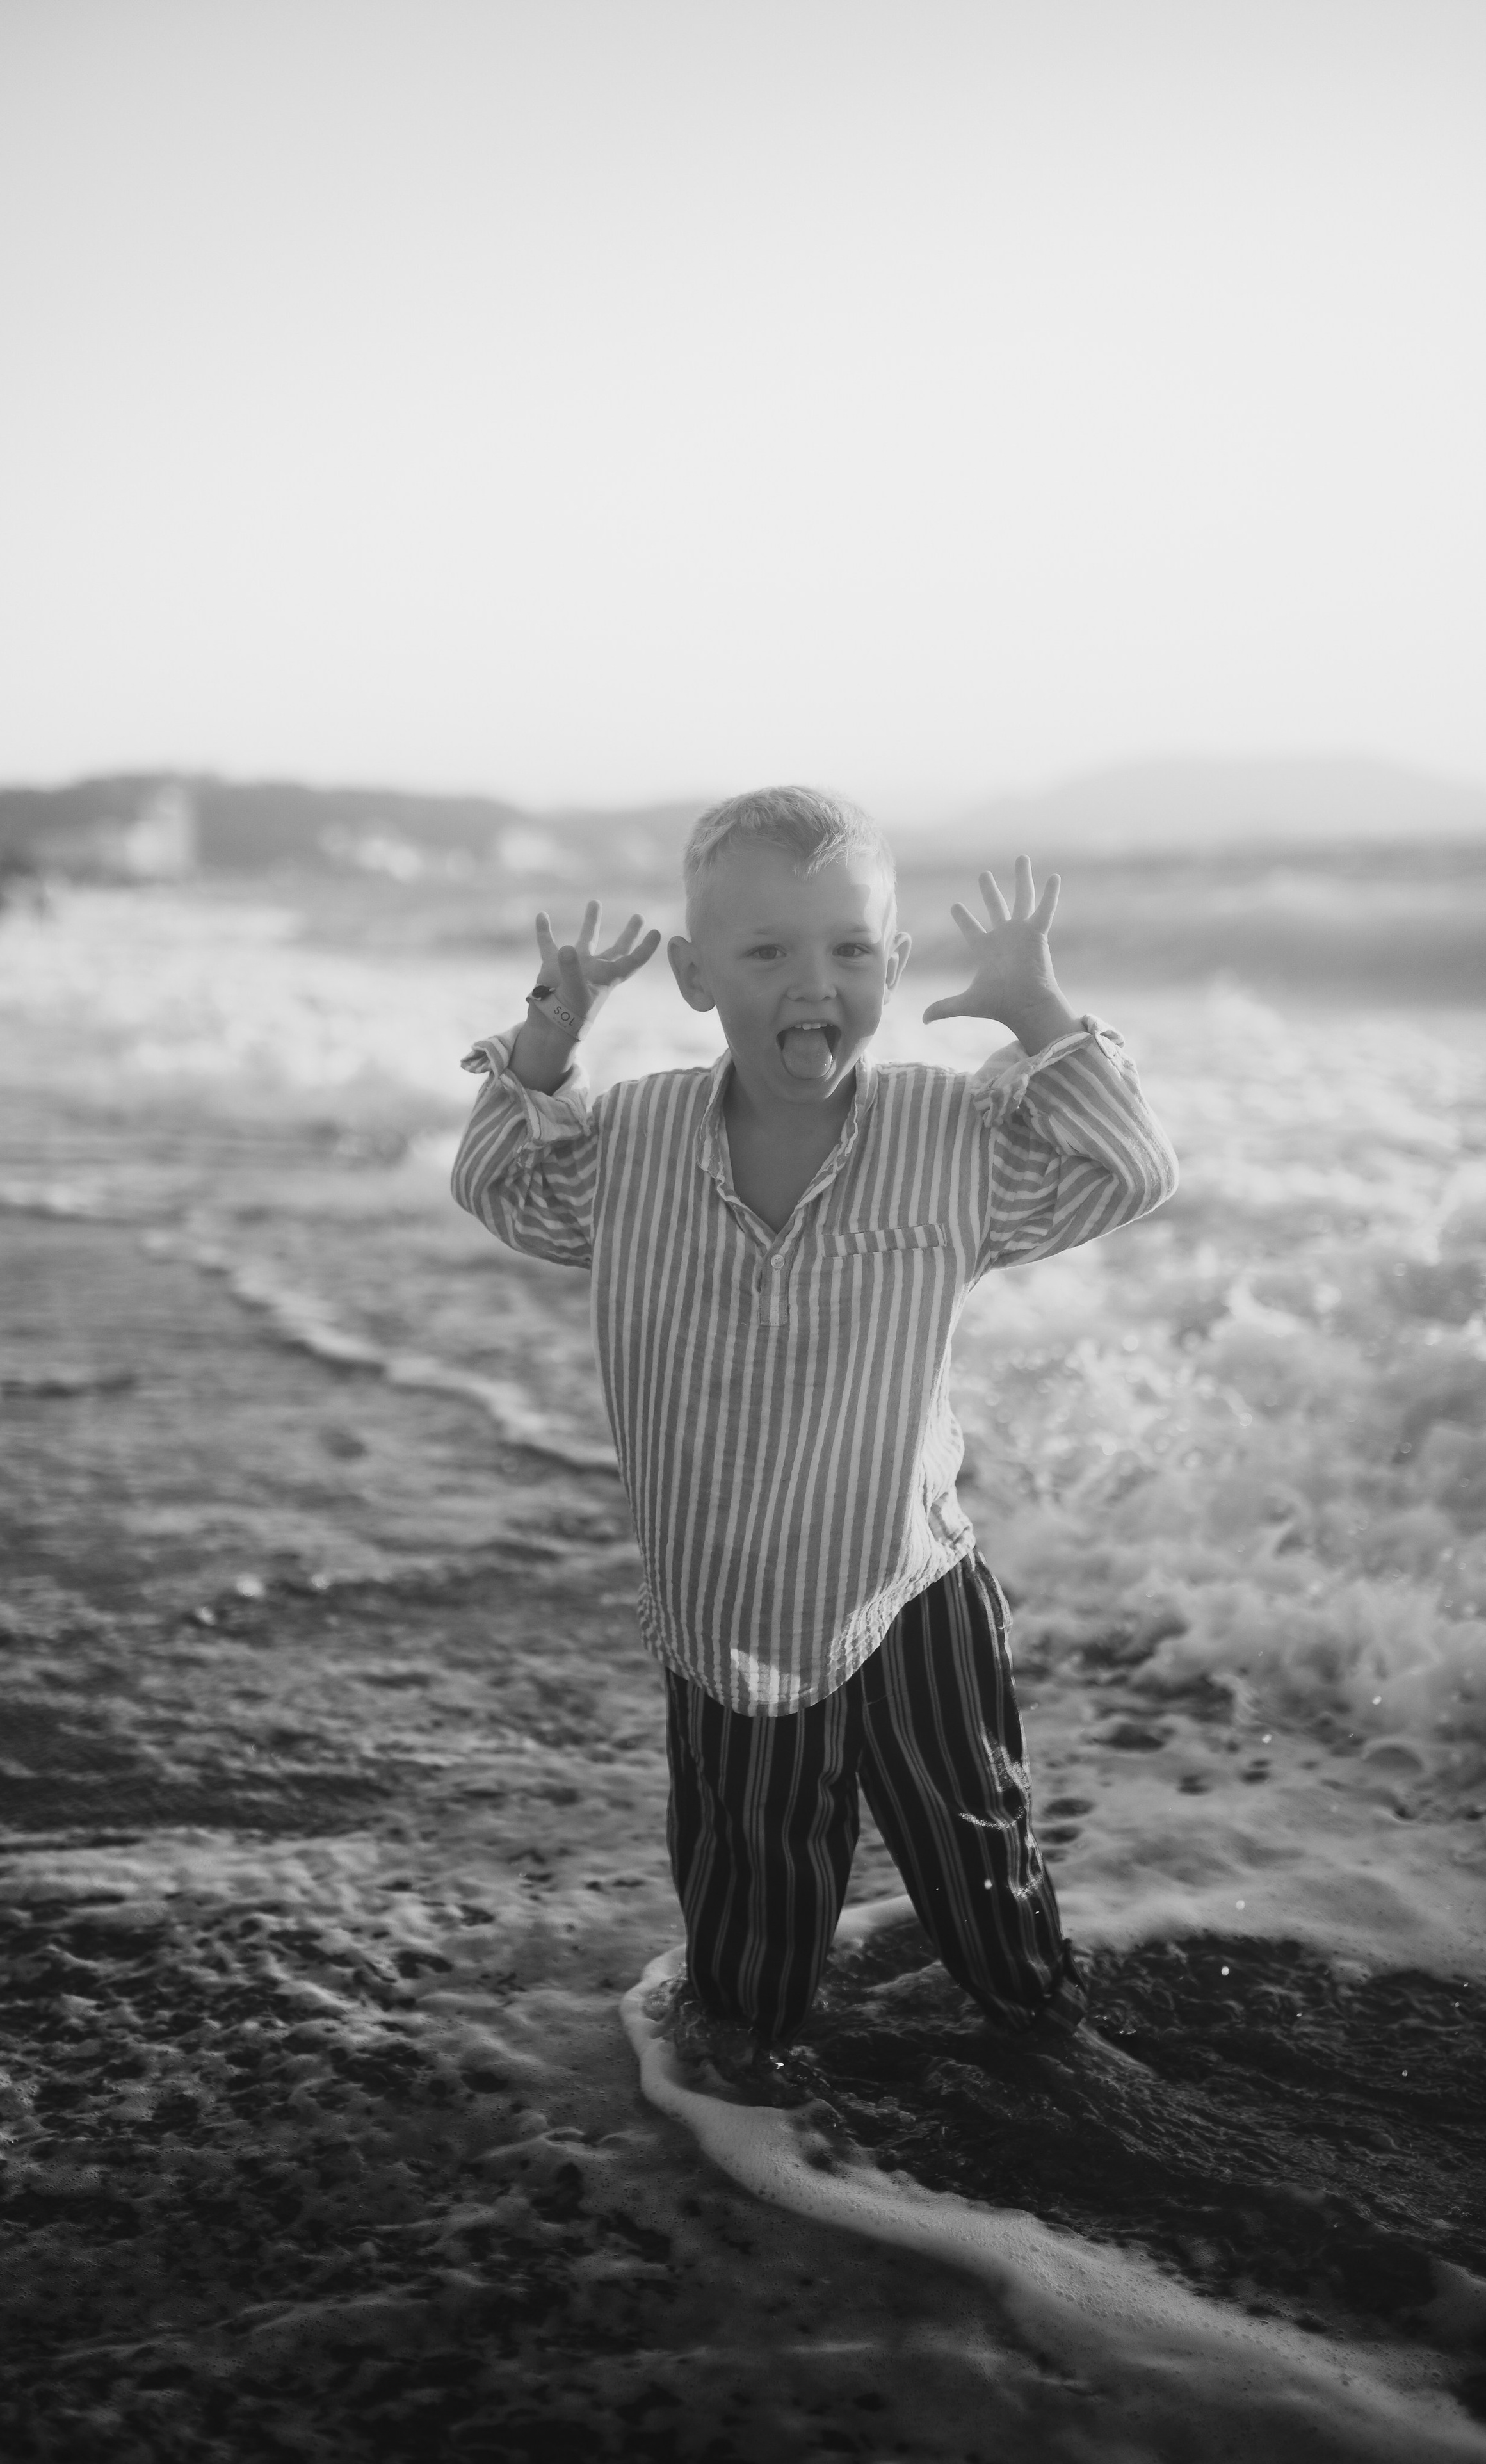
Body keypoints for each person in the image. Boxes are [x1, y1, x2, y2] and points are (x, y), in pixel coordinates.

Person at [452, 787, 1177, 2061]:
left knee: (978, 1853)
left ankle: (1044, 2040)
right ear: (691, 975)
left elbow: (1130, 1167)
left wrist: (1039, 1016)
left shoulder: (949, 1135)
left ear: (894, 965)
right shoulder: (628, 1141)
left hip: (908, 1582)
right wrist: (545, 1045)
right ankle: (740, 2095)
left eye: (849, 949)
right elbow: (497, 1184)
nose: (814, 982)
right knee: (752, 1907)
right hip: (728, 1607)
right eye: (768, 951)